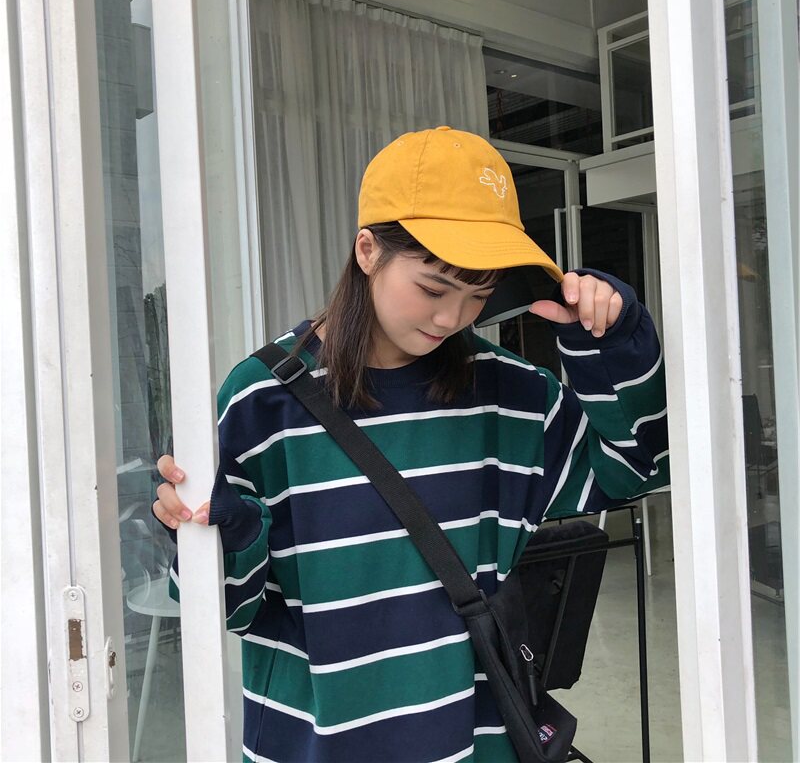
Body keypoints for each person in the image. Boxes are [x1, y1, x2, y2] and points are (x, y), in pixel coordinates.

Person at [154, 126, 669, 763]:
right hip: (317, 745)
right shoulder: (262, 399)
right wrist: (227, 538)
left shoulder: (509, 394)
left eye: (478, 295)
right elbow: (221, 609)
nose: (451, 318)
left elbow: (637, 469)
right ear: (368, 250)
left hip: (473, 744)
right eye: (432, 288)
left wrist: (612, 347)